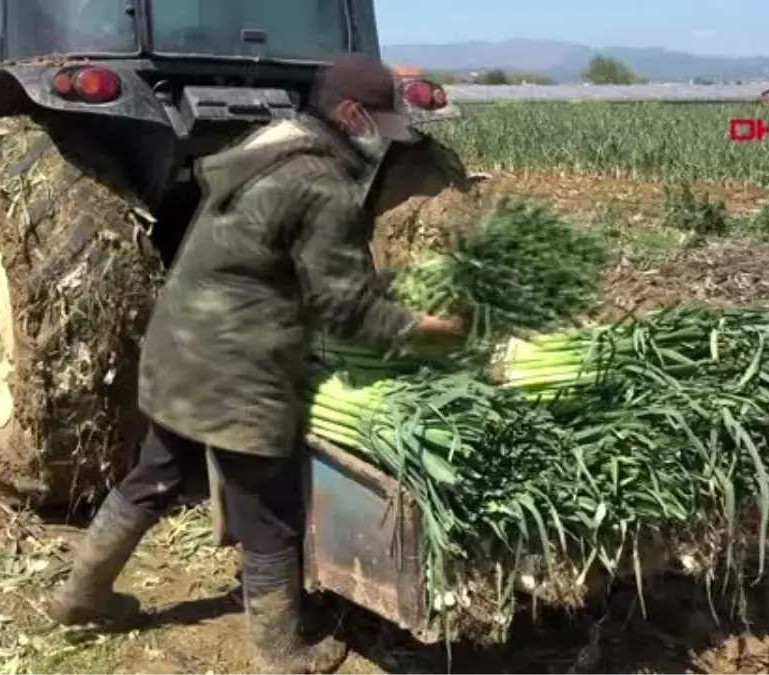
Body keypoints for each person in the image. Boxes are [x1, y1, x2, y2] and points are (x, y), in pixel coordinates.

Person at [45, 53, 462, 674]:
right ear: (351, 114)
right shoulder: (322, 185)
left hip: (181, 343)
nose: (387, 137)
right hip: (237, 368)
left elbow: (283, 264)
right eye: (382, 121)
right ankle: (281, 652)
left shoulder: (268, 148)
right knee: (268, 514)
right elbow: (349, 315)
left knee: (155, 474)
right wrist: (433, 331)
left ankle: (80, 595)